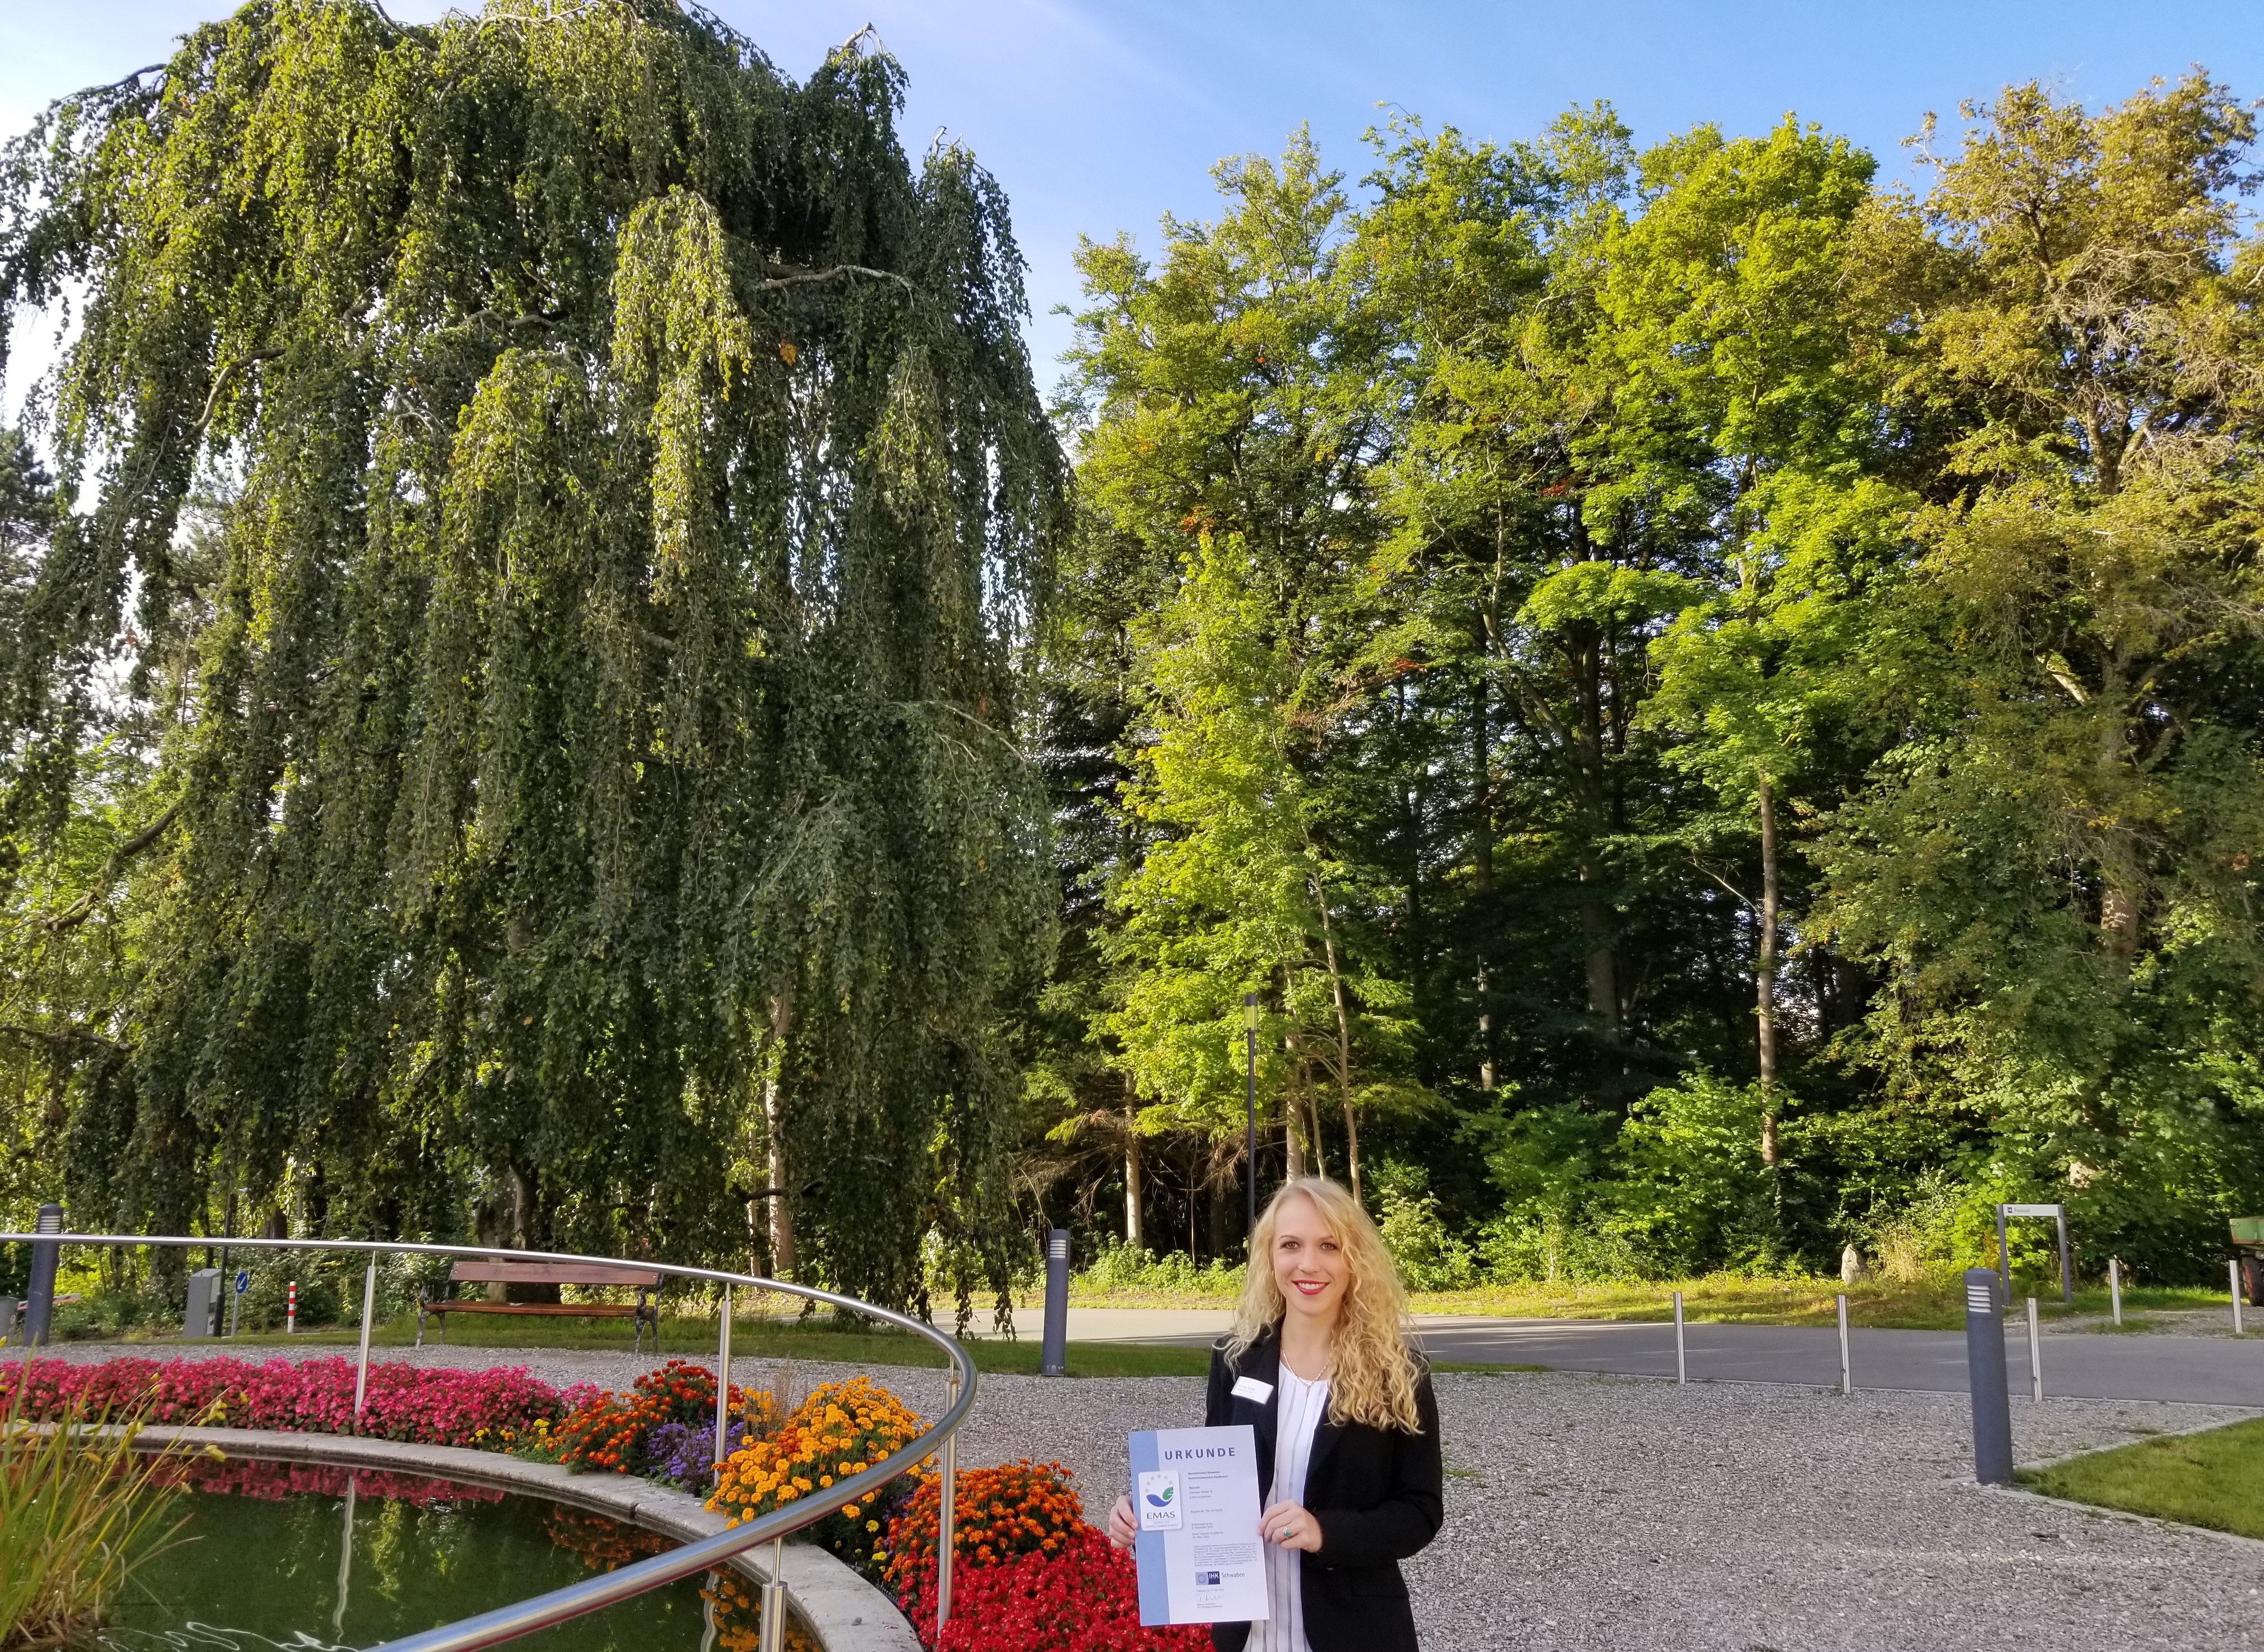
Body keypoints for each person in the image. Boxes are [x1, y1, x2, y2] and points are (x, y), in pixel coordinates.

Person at [1108, 1176, 1444, 1652]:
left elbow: (1420, 1510)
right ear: (1270, 1256)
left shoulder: (1398, 1373)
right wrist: (1145, 1510)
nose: (1308, 1263)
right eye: (1291, 1245)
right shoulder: (1235, 1358)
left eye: (1329, 1245)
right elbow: (1208, 1473)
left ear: (1355, 1259)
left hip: (1353, 1630)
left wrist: (1325, 1530)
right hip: (1248, 1633)